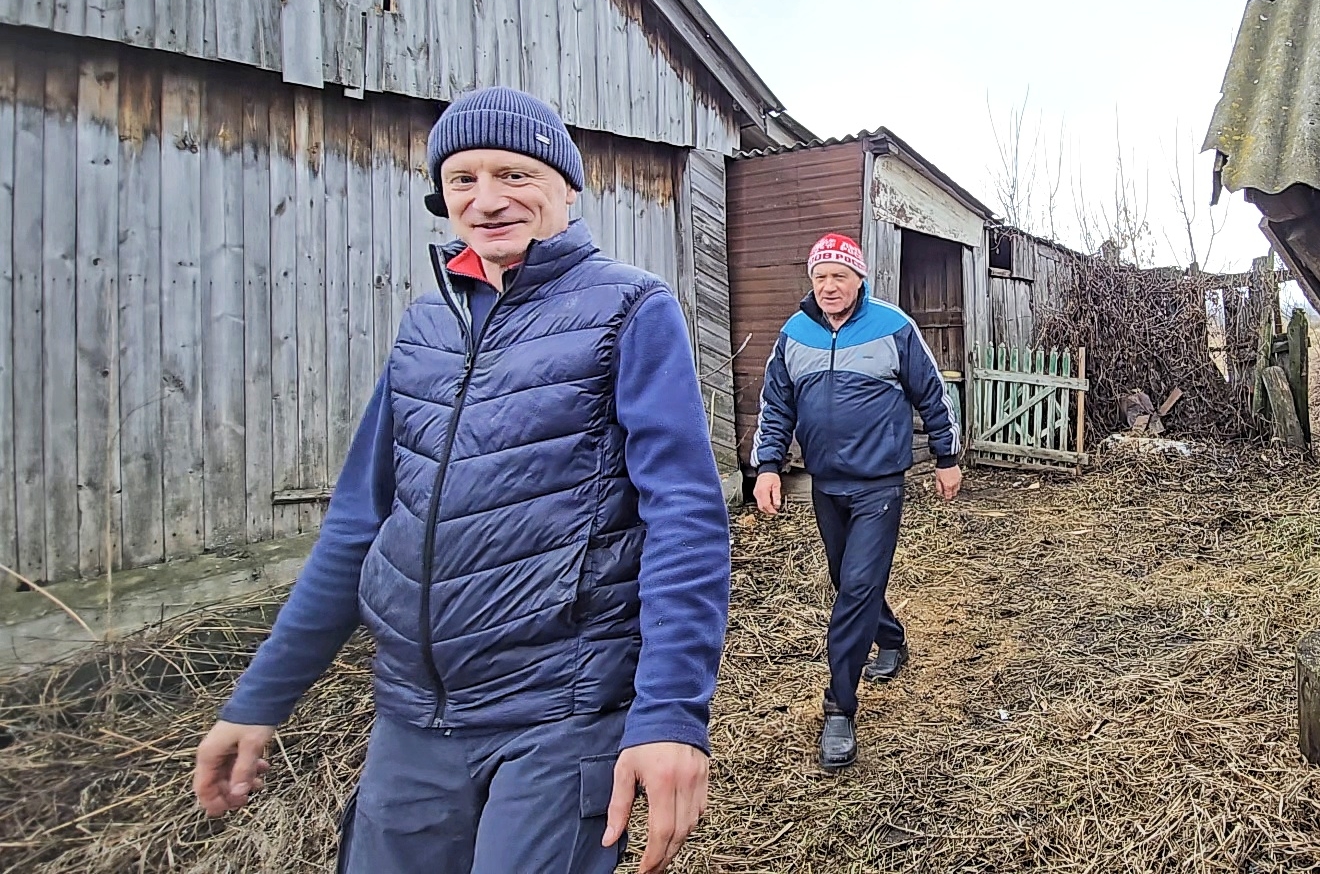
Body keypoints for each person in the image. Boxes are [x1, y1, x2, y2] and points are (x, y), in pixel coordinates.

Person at [192, 87, 732, 874]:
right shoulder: (426, 328)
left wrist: (671, 715)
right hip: (413, 718)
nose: (487, 201)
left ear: (566, 187)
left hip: (558, 714)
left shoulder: (629, 310)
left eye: (513, 174)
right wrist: (261, 698)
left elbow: (684, 517)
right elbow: (357, 524)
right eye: (462, 180)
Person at [751, 233, 962, 770]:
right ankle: (891, 637)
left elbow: (932, 393)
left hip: (880, 484)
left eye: (838, 276)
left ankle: (839, 708)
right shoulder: (794, 334)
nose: (828, 286)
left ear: (859, 279)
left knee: (856, 590)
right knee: (850, 582)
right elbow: (776, 405)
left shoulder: (893, 327)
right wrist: (768, 467)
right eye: (820, 277)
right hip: (826, 483)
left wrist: (946, 456)